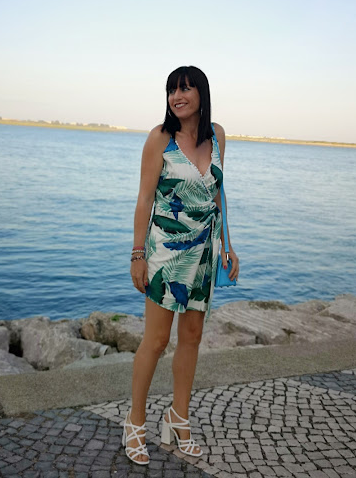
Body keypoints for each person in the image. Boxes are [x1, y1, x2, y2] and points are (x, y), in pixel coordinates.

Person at [122, 66, 239, 465]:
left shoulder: (217, 135)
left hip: (204, 253)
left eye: (186, 88)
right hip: (165, 253)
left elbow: (218, 194)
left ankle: (178, 418)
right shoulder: (160, 138)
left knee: (192, 337)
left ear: (202, 94)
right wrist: (137, 254)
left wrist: (228, 246)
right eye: (172, 90)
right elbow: (144, 200)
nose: (177, 96)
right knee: (155, 341)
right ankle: (135, 423)